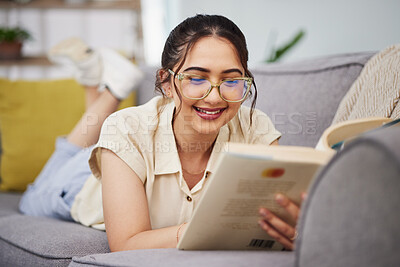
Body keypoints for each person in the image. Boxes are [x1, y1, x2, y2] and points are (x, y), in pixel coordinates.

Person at [19, 14, 301, 251]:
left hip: (125, 155)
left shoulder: (256, 129)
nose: (215, 98)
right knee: (32, 196)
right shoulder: (126, 128)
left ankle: (95, 80)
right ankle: (111, 89)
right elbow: (126, 243)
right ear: (166, 82)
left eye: (230, 80)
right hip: (81, 185)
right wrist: (208, 229)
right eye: (196, 78)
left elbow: (278, 222)